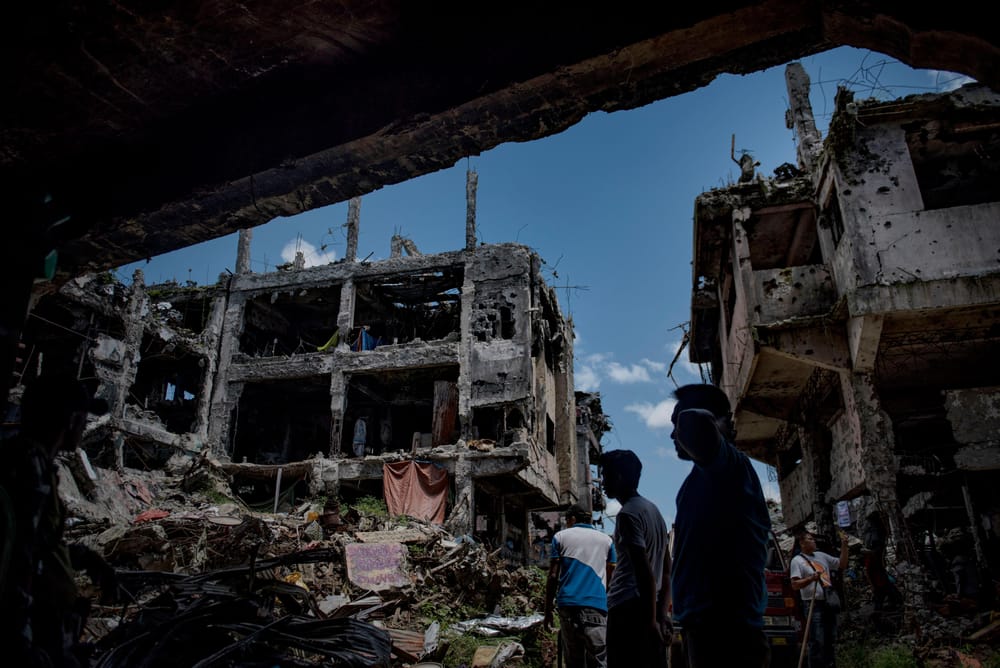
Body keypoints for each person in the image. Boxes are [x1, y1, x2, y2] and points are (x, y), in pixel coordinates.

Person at [0, 373, 118, 667]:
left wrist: (87, 558)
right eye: (83, 418)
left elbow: (41, 543)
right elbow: (21, 560)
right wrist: (22, 644)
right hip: (30, 635)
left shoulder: (34, 463)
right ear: (70, 420)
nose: (84, 426)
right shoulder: (29, 469)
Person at [669, 383, 771, 668]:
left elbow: (695, 423)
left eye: (675, 424)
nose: (673, 434)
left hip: (727, 630)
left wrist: (694, 416)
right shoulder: (701, 479)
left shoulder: (730, 466)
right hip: (705, 628)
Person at [599, 449, 670, 668]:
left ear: (618, 477)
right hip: (650, 606)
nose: (602, 483)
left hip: (629, 610)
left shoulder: (628, 514)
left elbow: (644, 571)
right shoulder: (653, 510)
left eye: (606, 476)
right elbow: (667, 569)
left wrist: (650, 622)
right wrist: (662, 613)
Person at [543, 503, 616, 668]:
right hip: (596, 606)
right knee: (599, 660)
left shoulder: (560, 537)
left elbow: (553, 576)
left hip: (568, 605)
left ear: (572, 519)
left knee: (573, 661)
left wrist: (547, 611)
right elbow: (611, 576)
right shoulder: (606, 540)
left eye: (567, 520)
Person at [790, 530, 849, 668]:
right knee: (816, 639)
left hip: (828, 602)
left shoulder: (821, 556)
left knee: (830, 638)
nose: (814, 541)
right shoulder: (797, 561)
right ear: (802, 543)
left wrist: (845, 546)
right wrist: (811, 578)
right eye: (810, 539)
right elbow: (794, 585)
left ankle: (830, 664)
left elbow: (842, 564)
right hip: (812, 604)